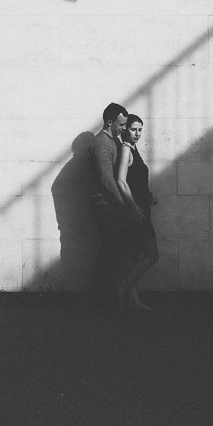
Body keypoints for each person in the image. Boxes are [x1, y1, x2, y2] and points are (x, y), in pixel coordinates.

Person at [87, 102, 129, 312]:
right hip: (106, 208)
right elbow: (107, 181)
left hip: (110, 207)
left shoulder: (111, 141)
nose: (123, 127)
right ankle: (101, 301)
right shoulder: (102, 144)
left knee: (110, 252)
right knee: (110, 253)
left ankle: (101, 300)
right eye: (121, 124)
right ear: (110, 122)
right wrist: (124, 205)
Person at [115, 114, 159, 311]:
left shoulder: (133, 149)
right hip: (136, 212)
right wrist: (134, 208)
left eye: (140, 129)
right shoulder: (125, 149)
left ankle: (133, 300)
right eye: (133, 129)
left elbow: (135, 180)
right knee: (152, 254)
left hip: (141, 208)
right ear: (125, 130)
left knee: (133, 256)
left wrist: (147, 195)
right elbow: (121, 181)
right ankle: (121, 289)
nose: (137, 133)